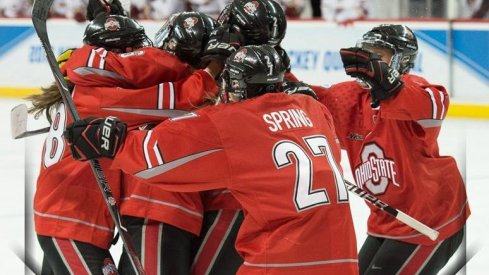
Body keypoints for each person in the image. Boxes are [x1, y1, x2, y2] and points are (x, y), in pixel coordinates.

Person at [64, 44, 359, 275]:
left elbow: (155, 157)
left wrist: (111, 141)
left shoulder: (234, 121)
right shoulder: (312, 109)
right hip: (343, 258)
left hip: (280, 259)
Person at [313, 24, 470, 274]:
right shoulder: (349, 98)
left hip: (429, 221)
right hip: (386, 221)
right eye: (366, 53)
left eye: (379, 55)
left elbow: (435, 101)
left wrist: (391, 86)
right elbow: (306, 101)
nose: (369, 61)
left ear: (401, 61)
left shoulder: (414, 90)